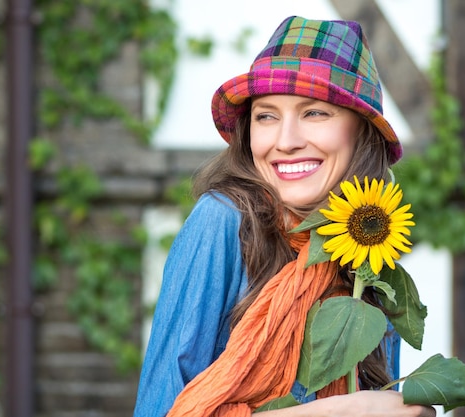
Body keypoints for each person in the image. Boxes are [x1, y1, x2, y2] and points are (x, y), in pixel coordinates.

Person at [134, 16, 436, 417]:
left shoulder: (370, 254)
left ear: (362, 133)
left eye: (315, 113)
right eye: (266, 116)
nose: (286, 141)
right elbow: (159, 410)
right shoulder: (225, 222)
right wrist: (347, 410)